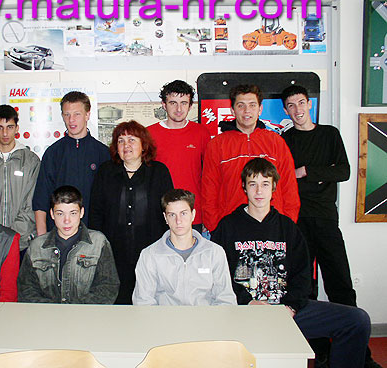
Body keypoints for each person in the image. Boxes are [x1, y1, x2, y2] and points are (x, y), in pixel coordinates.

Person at [211, 158, 371, 368]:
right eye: (253, 184)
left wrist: (291, 307)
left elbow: (302, 275)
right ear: (244, 187)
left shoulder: (288, 228)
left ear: (274, 188)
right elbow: (218, 275)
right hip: (244, 311)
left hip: (286, 311)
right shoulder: (227, 227)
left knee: (357, 320)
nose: (259, 191)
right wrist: (247, 302)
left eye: (265, 184)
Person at [281, 85, 381, 368]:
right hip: (298, 220)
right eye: (291, 105)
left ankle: (362, 356)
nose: (298, 110)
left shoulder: (329, 134)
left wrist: (307, 171)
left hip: (325, 218)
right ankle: (320, 354)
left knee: (341, 284)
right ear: (286, 110)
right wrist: (318, 177)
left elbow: (344, 171)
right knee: (306, 288)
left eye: (301, 103)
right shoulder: (286, 139)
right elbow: (286, 179)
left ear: (309, 104)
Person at [89, 120, 174, 304]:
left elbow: (169, 212)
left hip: (151, 252)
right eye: (121, 141)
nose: (126, 145)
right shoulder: (106, 172)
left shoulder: (159, 172)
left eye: (132, 140)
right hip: (113, 254)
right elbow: (96, 212)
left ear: (144, 145)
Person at [201, 84, 300, 232]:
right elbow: (209, 189)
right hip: (231, 227)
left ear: (260, 109)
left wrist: (287, 225)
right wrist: (216, 227)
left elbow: (289, 186)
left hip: (272, 226)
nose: (247, 111)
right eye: (241, 105)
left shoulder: (276, 142)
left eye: (252, 105)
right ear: (232, 110)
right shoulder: (217, 144)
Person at [132, 188, 236, 306]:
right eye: (172, 215)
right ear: (165, 218)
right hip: (164, 318)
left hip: (205, 317)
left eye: (183, 213)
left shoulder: (214, 252)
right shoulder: (149, 255)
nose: (178, 221)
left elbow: (225, 300)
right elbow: (143, 302)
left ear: (193, 214)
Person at [18, 185, 119, 304]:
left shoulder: (98, 243)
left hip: (86, 313)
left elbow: (108, 287)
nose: (67, 220)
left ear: (82, 212)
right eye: (60, 214)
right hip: (46, 313)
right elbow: (26, 288)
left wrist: (75, 310)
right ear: (52, 214)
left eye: (73, 213)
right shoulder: (37, 246)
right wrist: (52, 310)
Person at [32, 91, 110, 235]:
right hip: (58, 235)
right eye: (67, 114)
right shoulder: (53, 153)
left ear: (87, 115)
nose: (71, 120)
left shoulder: (103, 153)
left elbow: (110, 202)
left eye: (77, 114)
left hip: (94, 234)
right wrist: (42, 237)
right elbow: (41, 199)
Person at [147, 80, 211, 233]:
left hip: (193, 212)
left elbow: (209, 176)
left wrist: (207, 214)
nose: (178, 109)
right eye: (173, 103)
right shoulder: (149, 134)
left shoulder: (201, 133)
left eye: (183, 103)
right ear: (164, 105)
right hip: (160, 213)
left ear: (190, 105)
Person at [0, 105, 41, 261]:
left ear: (17, 128)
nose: (5, 133)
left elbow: (31, 202)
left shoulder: (31, 161)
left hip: (23, 243)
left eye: (10, 127)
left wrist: (13, 235)